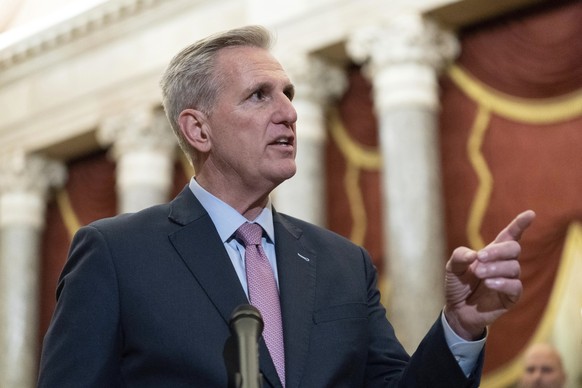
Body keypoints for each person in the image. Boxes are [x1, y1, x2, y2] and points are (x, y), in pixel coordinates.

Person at [37, 25, 536, 387]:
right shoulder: (117, 254)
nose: (289, 113)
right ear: (198, 129)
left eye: (288, 94)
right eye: (259, 96)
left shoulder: (342, 262)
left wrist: (460, 327)